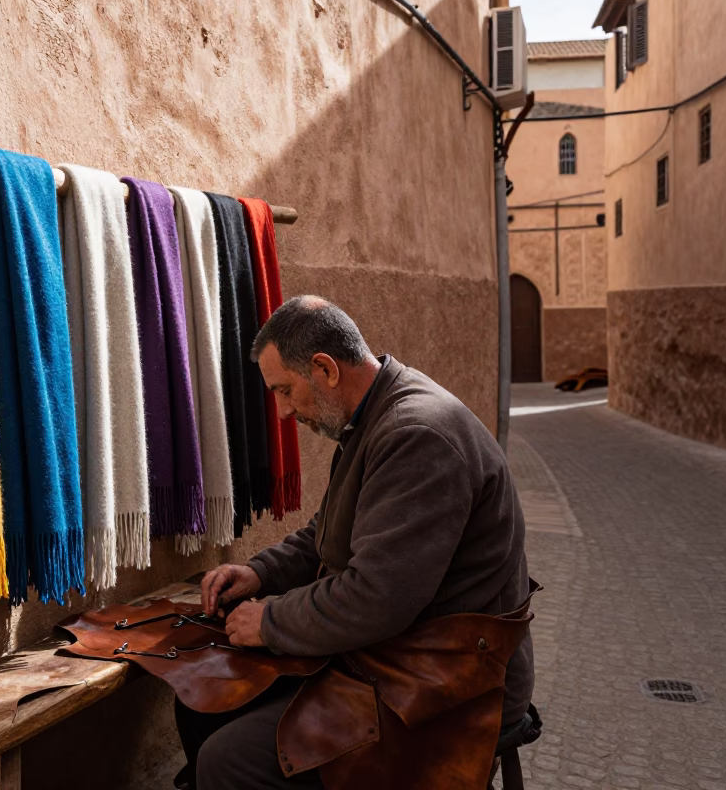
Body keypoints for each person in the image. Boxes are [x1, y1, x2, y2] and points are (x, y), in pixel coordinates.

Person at [175, 295, 534, 790]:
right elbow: (328, 534)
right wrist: (261, 573)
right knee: (203, 695)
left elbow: (377, 598)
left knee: (230, 761)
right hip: (394, 655)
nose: (281, 412)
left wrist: (271, 620)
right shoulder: (371, 419)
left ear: (324, 368)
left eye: (284, 390)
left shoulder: (417, 434)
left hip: (446, 681)